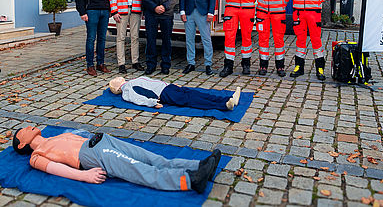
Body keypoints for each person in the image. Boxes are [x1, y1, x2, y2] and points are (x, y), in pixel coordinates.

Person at [13, 126, 221, 194]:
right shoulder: (36, 156)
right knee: (138, 169)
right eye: (21, 132)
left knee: (152, 158)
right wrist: (84, 176)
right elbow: (54, 169)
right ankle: (189, 180)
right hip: (92, 156)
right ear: (21, 144)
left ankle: (199, 166)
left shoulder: (54, 135)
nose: (28, 128)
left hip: (102, 140)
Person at [286, 0, 334, 80]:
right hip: (299, 14)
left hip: (314, 13)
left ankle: (320, 68)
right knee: (300, 40)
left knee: (316, 40)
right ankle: (299, 67)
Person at [141, 0, 179, 75]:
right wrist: (154, 7)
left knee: (166, 40)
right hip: (151, 14)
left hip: (166, 14)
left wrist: (164, 6)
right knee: (151, 40)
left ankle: (165, 65)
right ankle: (150, 65)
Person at [75, 0, 112, 76]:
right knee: (91, 38)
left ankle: (100, 63)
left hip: (104, 11)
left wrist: (110, 10)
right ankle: (90, 65)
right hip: (91, 11)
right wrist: (82, 12)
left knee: (102, 38)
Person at [179, 0, 216, 76]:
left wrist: (211, 12)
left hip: (203, 12)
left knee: (206, 39)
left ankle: (208, 64)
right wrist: (182, 11)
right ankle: (191, 63)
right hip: (189, 12)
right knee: (189, 39)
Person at [109, 76, 241, 110]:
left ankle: (227, 99)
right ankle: (224, 104)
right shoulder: (127, 90)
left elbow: (152, 81)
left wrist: (169, 84)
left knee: (195, 94)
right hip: (164, 93)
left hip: (167, 88)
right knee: (193, 99)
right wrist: (152, 103)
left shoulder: (133, 82)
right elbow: (138, 98)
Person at [110, 0, 144, 74]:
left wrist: (143, 9)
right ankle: (121, 64)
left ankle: (135, 62)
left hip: (135, 11)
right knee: (121, 38)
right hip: (121, 11)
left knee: (135, 37)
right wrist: (114, 11)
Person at [256, 0, 290, 77]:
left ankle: (280, 67)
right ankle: (263, 65)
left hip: (278, 14)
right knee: (263, 39)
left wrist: (280, 6)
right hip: (263, 13)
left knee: (279, 39)